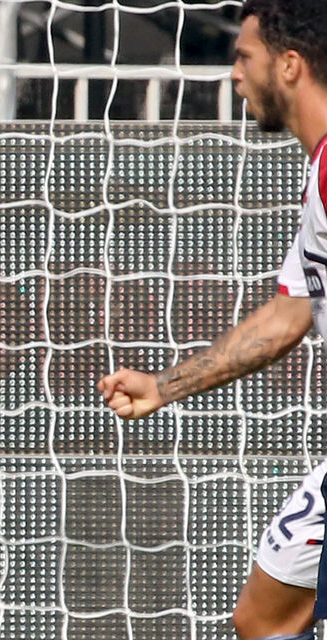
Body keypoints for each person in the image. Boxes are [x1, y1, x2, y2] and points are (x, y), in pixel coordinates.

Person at [97, 2, 327, 638]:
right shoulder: (318, 177)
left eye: (242, 57)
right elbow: (288, 315)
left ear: (288, 66)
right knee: (264, 618)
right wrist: (163, 387)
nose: (234, 75)